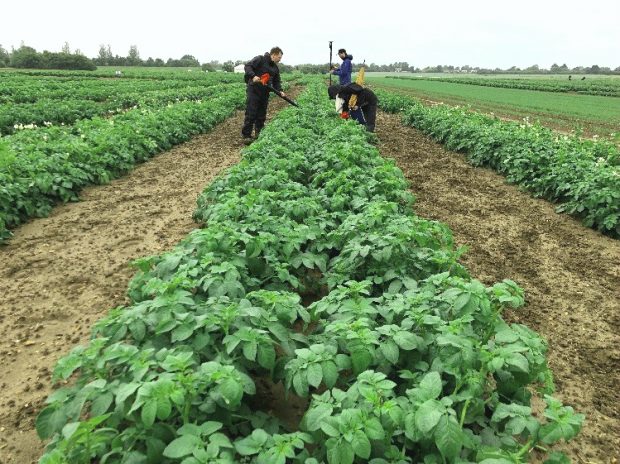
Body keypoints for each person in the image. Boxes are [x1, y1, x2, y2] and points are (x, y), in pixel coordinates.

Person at [242, 46, 287, 143]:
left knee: (262, 113)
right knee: (251, 112)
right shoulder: (260, 59)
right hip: (254, 89)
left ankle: (259, 133)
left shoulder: (275, 68)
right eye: (279, 57)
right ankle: (246, 136)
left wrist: (280, 90)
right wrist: (253, 76)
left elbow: (277, 81)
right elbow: (247, 66)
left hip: (265, 92)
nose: (280, 59)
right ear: (274, 55)